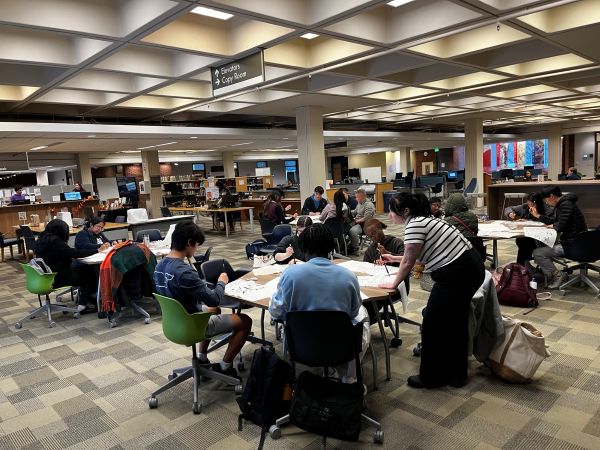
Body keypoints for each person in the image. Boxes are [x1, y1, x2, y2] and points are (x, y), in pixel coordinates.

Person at [379, 192, 484, 389]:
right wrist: (394, 258)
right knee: (454, 322)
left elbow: (410, 261)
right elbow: (418, 256)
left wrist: (393, 285)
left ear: (406, 211)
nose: (390, 215)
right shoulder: (425, 220)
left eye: (392, 210)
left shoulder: (414, 224)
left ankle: (431, 376)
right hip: (469, 266)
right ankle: (456, 375)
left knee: (433, 324)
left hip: (457, 272)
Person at [270, 224, 370, 383]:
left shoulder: (290, 274)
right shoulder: (348, 276)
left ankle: (324, 371)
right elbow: (353, 312)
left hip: (301, 344)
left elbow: (276, 312)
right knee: (362, 313)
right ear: (331, 248)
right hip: (341, 344)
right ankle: (350, 378)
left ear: (303, 248)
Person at [154, 221, 252, 379]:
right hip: (191, 325)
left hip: (173, 323)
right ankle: (225, 367)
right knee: (245, 321)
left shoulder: (159, 266)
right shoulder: (184, 272)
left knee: (213, 311)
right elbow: (214, 299)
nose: (196, 249)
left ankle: (202, 358)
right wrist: (221, 282)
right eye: (196, 245)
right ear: (189, 243)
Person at [34, 219, 108, 312]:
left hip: (45, 277)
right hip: (57, 278)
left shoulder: (42, 240)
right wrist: (97, 250)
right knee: (87, 271)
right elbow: (74, 253)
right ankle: (83, 304)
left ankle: (89, 297)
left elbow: (67, 252)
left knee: (81, 268)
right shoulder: (57, 243)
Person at [531, 186, 587, 288]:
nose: (546, 203)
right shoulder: (565, 203)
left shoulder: (565, 204)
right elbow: (555, 221)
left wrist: (555, 225)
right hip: (579, 242)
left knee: (538, 253)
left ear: (551, 196)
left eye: (545, 200)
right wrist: (538, 216)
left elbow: (561, 225)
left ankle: (558, 275)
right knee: (543, 247)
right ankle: (550, 274)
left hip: (573, 245)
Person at [348, 188, 375, 254]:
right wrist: (347, 211)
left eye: (357, 197)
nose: (356, 199)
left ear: (362, 197)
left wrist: (356, 221)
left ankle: (355, 248)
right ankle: (347, 245)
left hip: (364, 225)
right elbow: (355, 212)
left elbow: (366, 218)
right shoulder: (359, 203)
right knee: (345, 228)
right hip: (358, 222)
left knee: (352, 231)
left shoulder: (369, 205)